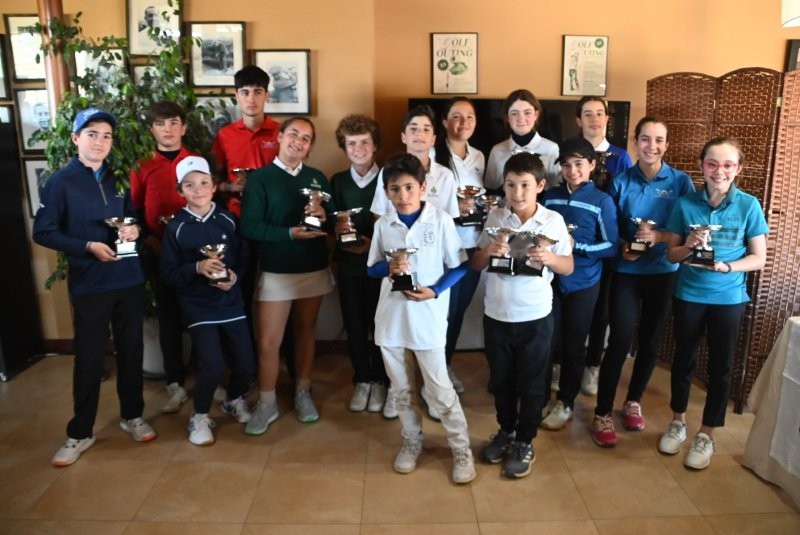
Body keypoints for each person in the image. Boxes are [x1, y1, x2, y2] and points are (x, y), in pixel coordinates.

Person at [33, 107, 157, 467]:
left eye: (107, 136)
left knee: (132, 351)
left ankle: (132, 415)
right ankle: (80, 432)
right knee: (89, 358)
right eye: (92, 134)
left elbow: (134, 218)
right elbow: (43, 231)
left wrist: (134, 229)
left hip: (129, 278)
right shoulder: (61, 181)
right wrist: (87, 246)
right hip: (90, 283)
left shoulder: (119, 177)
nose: (100, 142)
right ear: (75, 138)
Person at [367, 153, 475, 484]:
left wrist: (436, 290)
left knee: (439, 390)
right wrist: (389, 267)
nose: (403, 196)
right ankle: (412, 440)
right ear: (386, 192)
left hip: (427, 319)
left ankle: (461, 448)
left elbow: (460, 266)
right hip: (391, 320)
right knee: (401, 390)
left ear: (423, 187)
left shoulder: (440, 221)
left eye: (409, 187)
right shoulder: (384, 224)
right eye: (395, 189)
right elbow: (372, 269)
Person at [659, 137, 767, 469]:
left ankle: (707, 434)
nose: (719, 171)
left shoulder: (749, 205)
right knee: (683, 360)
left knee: (721, 366)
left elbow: (759, 257)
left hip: (729, 299)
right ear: (702, 166)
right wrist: (690, 245)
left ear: (738, 169)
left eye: (728, 165)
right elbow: (671, 254)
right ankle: (677, 421)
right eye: (712, 164)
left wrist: (727, 267)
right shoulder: (685, 203)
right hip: (689, 294)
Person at [591, 116, 694, 448]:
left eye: (659, 140)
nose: (652, 146)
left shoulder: (681, 182)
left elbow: (689, 230)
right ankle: (602, 412)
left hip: (663, 273)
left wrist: (659, 237)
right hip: (627, 273)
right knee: (620, 341)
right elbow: (611, 227)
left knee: (650, 342)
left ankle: (633, 400)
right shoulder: (620, 181)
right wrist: (625, 246)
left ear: (667, 144)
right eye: (645, 139)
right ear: (635, 142)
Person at [472, 152, 573, 478]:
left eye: (525, 185)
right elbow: (476, 263)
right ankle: (506, 431)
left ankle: (525, 440)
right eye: (511, 184)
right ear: (503, 185)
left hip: (535, 317)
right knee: (501, 380)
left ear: (540, 186)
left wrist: (549, 258)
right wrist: (488, 251)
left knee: (532, 383)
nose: (517, 192)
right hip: (497, 315)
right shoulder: (496, 216)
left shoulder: (552, 221)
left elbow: (568, 266)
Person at [240, 117, 335, 434]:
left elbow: (333, 221)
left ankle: (302, 392)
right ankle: (267, 402)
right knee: (269, 342)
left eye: (306, 138)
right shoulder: (261, 178)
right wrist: (290, 234)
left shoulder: (317, 178)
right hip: (277, 269)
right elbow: (249, 226)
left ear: (310, 146)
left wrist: (324, 216)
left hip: (313, 266)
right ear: (279, 137)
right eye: (293, 134)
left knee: (306, 331)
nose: (299, 141)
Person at [370, 105, 459, 419]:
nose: (419, 134)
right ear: (403, 135)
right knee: (396, 341)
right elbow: (381, 218)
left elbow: (450, 219)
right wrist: (392, 259)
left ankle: (431, 392)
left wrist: (437, 283)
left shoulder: (445, 175)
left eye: (426, 129)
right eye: (413, 128)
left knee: (430, 343)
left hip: (433, 267)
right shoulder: (388, 172)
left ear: (434, 136)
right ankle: (399, 391)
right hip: (398, 268)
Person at [161, 156, 257, 446]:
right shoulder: (176, 227)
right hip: (198, 305)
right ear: (180, 191)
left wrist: (234, 277)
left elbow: (243, 258)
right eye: (189, 185)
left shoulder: (228, 219)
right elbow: (169, 273)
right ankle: (200, 415)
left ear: (214, 187)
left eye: (204, 183)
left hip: (231, 302)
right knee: (212, 365)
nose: (198, 189)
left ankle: (233, 399)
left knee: (246, 364)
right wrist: (197, 268)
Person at [540, 137, 618, 430]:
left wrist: (577, 246)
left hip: (584, 282)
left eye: (579, 164)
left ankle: (566, 402)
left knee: (574, 344)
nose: (572, 171)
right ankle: (540, 398)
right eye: (566, 165)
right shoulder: (550, 197)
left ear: (592, 165)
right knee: (547, 341)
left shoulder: (602, 201)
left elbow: (611, 246)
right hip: (551, 281)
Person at [130, 101, 193, 415]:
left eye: (173, 122)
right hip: (159, 251)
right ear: (151, 129)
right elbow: (134, 211)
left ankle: (208, 376)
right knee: (168, 317)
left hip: (195, 252)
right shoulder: (142, 166)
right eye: (160, 124)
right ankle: (175, 383)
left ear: (183, 127)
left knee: (200, 315)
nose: (167, 129)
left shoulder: (196, 162)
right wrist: (151, 241)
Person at [330, 115, 390, 415]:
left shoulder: (388, 178)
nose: (358, 148)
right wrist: (338, 229)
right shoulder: (338, 181)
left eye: (365, 142)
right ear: (344, 147)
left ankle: (379, 379)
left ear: (375, 145)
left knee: (380, 324)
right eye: (351, 143)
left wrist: (373, 246)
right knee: (354, 325)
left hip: (380, 266)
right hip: (350, 265)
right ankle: (362, 379)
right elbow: (330, 219)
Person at [577, 96, 633, 396]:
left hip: (606, 240)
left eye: (599, 113)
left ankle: (592, 366)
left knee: (601, 310)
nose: (594, 119)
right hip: (575, 242)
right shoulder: (570, 150)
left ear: (608, 119)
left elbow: (625, 199)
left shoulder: (620, 157)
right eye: (587, 114)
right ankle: (561, 363)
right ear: (578, 120)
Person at [434, 96, 486, 395]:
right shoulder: (432, 154)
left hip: (472, 246)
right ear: (444, 121)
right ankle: (434, 370)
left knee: (458, 311)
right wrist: (456, 206)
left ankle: (445, 363)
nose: (463, 122)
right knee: (442, 311)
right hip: (443, 248)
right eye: (456, 116)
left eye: (469, 117)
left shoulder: (479, 157)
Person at [212, 65, 280, 218]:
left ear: (267, 95)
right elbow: (212, 179)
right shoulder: (224, 135)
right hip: (235, 215)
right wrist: (230, 187)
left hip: (273, 213)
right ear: (237, 95)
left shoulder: (281, 133)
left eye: (258, 92)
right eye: (245, 92)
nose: (251, 99)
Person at [484, 89, 560, 190]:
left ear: (536, 115)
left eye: (527, 113)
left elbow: (556, 188)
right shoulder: (497, 150)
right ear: (507, 118)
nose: (521, 118)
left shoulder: (551, 149)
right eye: (514, 113)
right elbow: (490, 189)